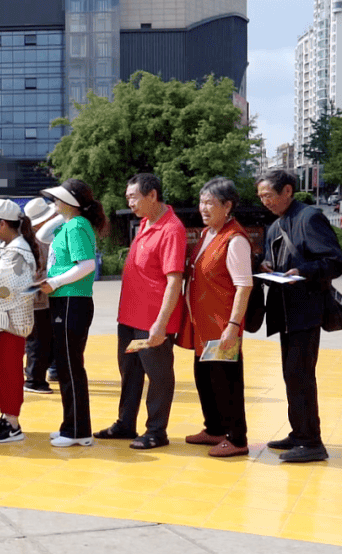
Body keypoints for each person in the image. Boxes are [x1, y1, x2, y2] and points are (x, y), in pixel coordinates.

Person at [95, 172, 185, 450]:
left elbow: (174, 280)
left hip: (151, 322)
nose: (130, 203)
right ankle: (125, 423)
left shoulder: (171, 229)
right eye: (128, 198)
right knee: (130, 372)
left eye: (134, 197)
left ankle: (156, 431)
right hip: (131, 319)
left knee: (158, 376)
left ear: (152, 195)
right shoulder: (146, 223)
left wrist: (161, 323)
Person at [257, 168, 342, 462]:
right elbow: (276, 259)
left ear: (288, 191)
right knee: (291, 376)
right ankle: (299, 432)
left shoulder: (309, 218)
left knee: (301, 375)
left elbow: (334, 261)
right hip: (285, 311)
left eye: (269, 195)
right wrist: (269, 266)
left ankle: (311, 441)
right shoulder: (275, 225)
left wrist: (302, 271)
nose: (265, 201)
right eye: (261, 197)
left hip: (306, 311)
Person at [181, 177, 253, 458]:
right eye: (202, 202)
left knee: (227, 382)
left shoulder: (234, 240)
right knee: (205, 379)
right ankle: (214, 428)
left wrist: (233, 325)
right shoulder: (207, 234)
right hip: (202, 325)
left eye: (211, 203)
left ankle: (237, 438)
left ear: (227, 205)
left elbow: (244, 286)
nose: (204, 208)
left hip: (222, 325)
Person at [38, 180, 108, 447]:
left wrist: (54, 282)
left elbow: (87, 265)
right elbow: (42, 236)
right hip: (64, 300)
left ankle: (77, 430)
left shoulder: (77, 225)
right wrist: (56, 212)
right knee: (67, 366)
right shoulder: (69, 224)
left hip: (71, 301)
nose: (53, 202)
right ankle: (72, 424)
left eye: (58, 198)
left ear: (73, 202)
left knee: (70, 367)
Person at [0, 198, 40, 443]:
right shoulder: (7, 249)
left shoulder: (17, 253)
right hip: (0, 319)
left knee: (9, 371)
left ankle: (12, 422)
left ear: (2, 225)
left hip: (11, 320)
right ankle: (6, 413)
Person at [22, 197, 63, 395]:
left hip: (45, 299)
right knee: (37, 342)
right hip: (37, 299)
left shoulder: (43, 239)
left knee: (44, 339)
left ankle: (41, 372)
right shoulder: (33, 243)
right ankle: (33, 379)